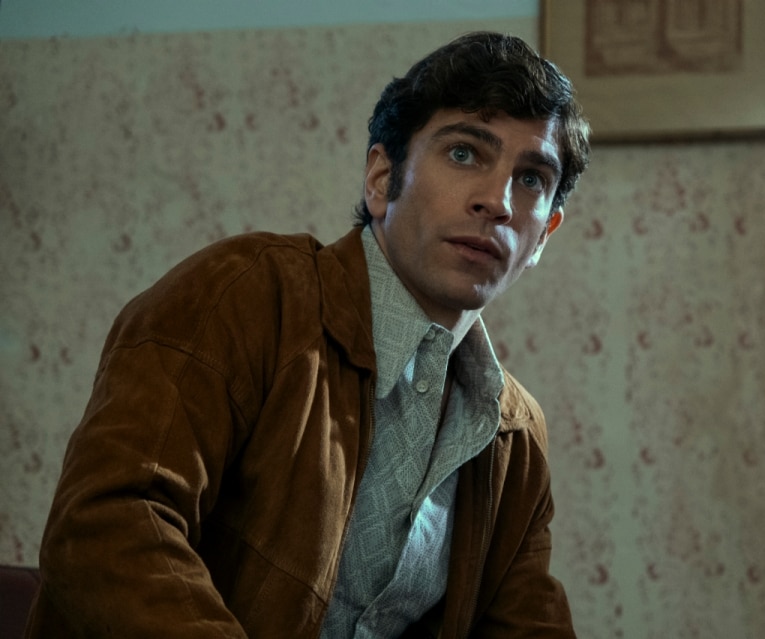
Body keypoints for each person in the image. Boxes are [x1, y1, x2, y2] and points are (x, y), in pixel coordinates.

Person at [26, 30, 590, 638]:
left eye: (531, 179)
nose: (498, 201)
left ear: (544, 235)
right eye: (463, 153)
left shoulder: (515, 433)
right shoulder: (246, 295)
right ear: (382, 178)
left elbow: (526, 624)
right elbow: (108, 523)